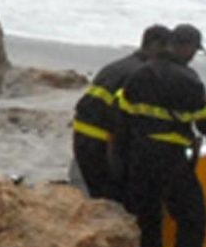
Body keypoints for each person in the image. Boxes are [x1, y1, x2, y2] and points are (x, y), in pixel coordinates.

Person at [113, 24, 206, 247]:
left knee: (148, 216)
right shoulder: (188, 80)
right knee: (194, 218)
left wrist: (121, 159)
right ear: (186, 47)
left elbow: (122, 120)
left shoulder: (139, 75)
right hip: (171, 160)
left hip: (138, 157)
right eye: (193, 50)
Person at [71, 24, 171, 204]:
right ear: (155, 45)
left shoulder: (116, 66)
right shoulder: (141, 74)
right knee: (115, 200)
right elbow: (124, 121)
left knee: (98, 196)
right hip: (103, 142)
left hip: (82, 135)